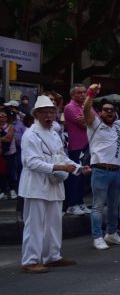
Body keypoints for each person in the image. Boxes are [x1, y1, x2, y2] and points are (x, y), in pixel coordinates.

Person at [19, 96, 82, 273]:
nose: (49, 115)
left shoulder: (54, 133)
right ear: (36, 114)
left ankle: (52, 256)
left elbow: (62, 156)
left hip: (54, 184)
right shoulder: (30, 135)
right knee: (35, 225)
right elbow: (32, 163)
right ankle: (30, 261)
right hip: (36, 186)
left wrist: (78, 167)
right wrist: (59, 167)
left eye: (52, 112)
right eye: (44, 112)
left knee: (54, 222)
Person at [82, 84, 120, 250]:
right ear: (99, 113)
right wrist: (90, 94)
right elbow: (86, 109)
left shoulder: (118, 126)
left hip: (116, 171)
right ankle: (97, 236)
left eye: (112, 110)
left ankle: (111, 233)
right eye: (106, 110)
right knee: (98, 206)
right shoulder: (94, 125)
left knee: (114, 206)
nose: (109, 112)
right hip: (100, 171)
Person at [63, 84, 91, 216]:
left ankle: (80, 202)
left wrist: (88, 120)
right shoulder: (70, 107)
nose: (83, 95)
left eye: (84, 92)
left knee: (83, 177)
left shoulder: (85, 106)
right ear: (72, 95)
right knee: (75, 177)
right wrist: (89, 121)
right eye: (79, 93)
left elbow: (97, 122)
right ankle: (71, 205)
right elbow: (86, 124)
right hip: (76, 147)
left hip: (87, 146)